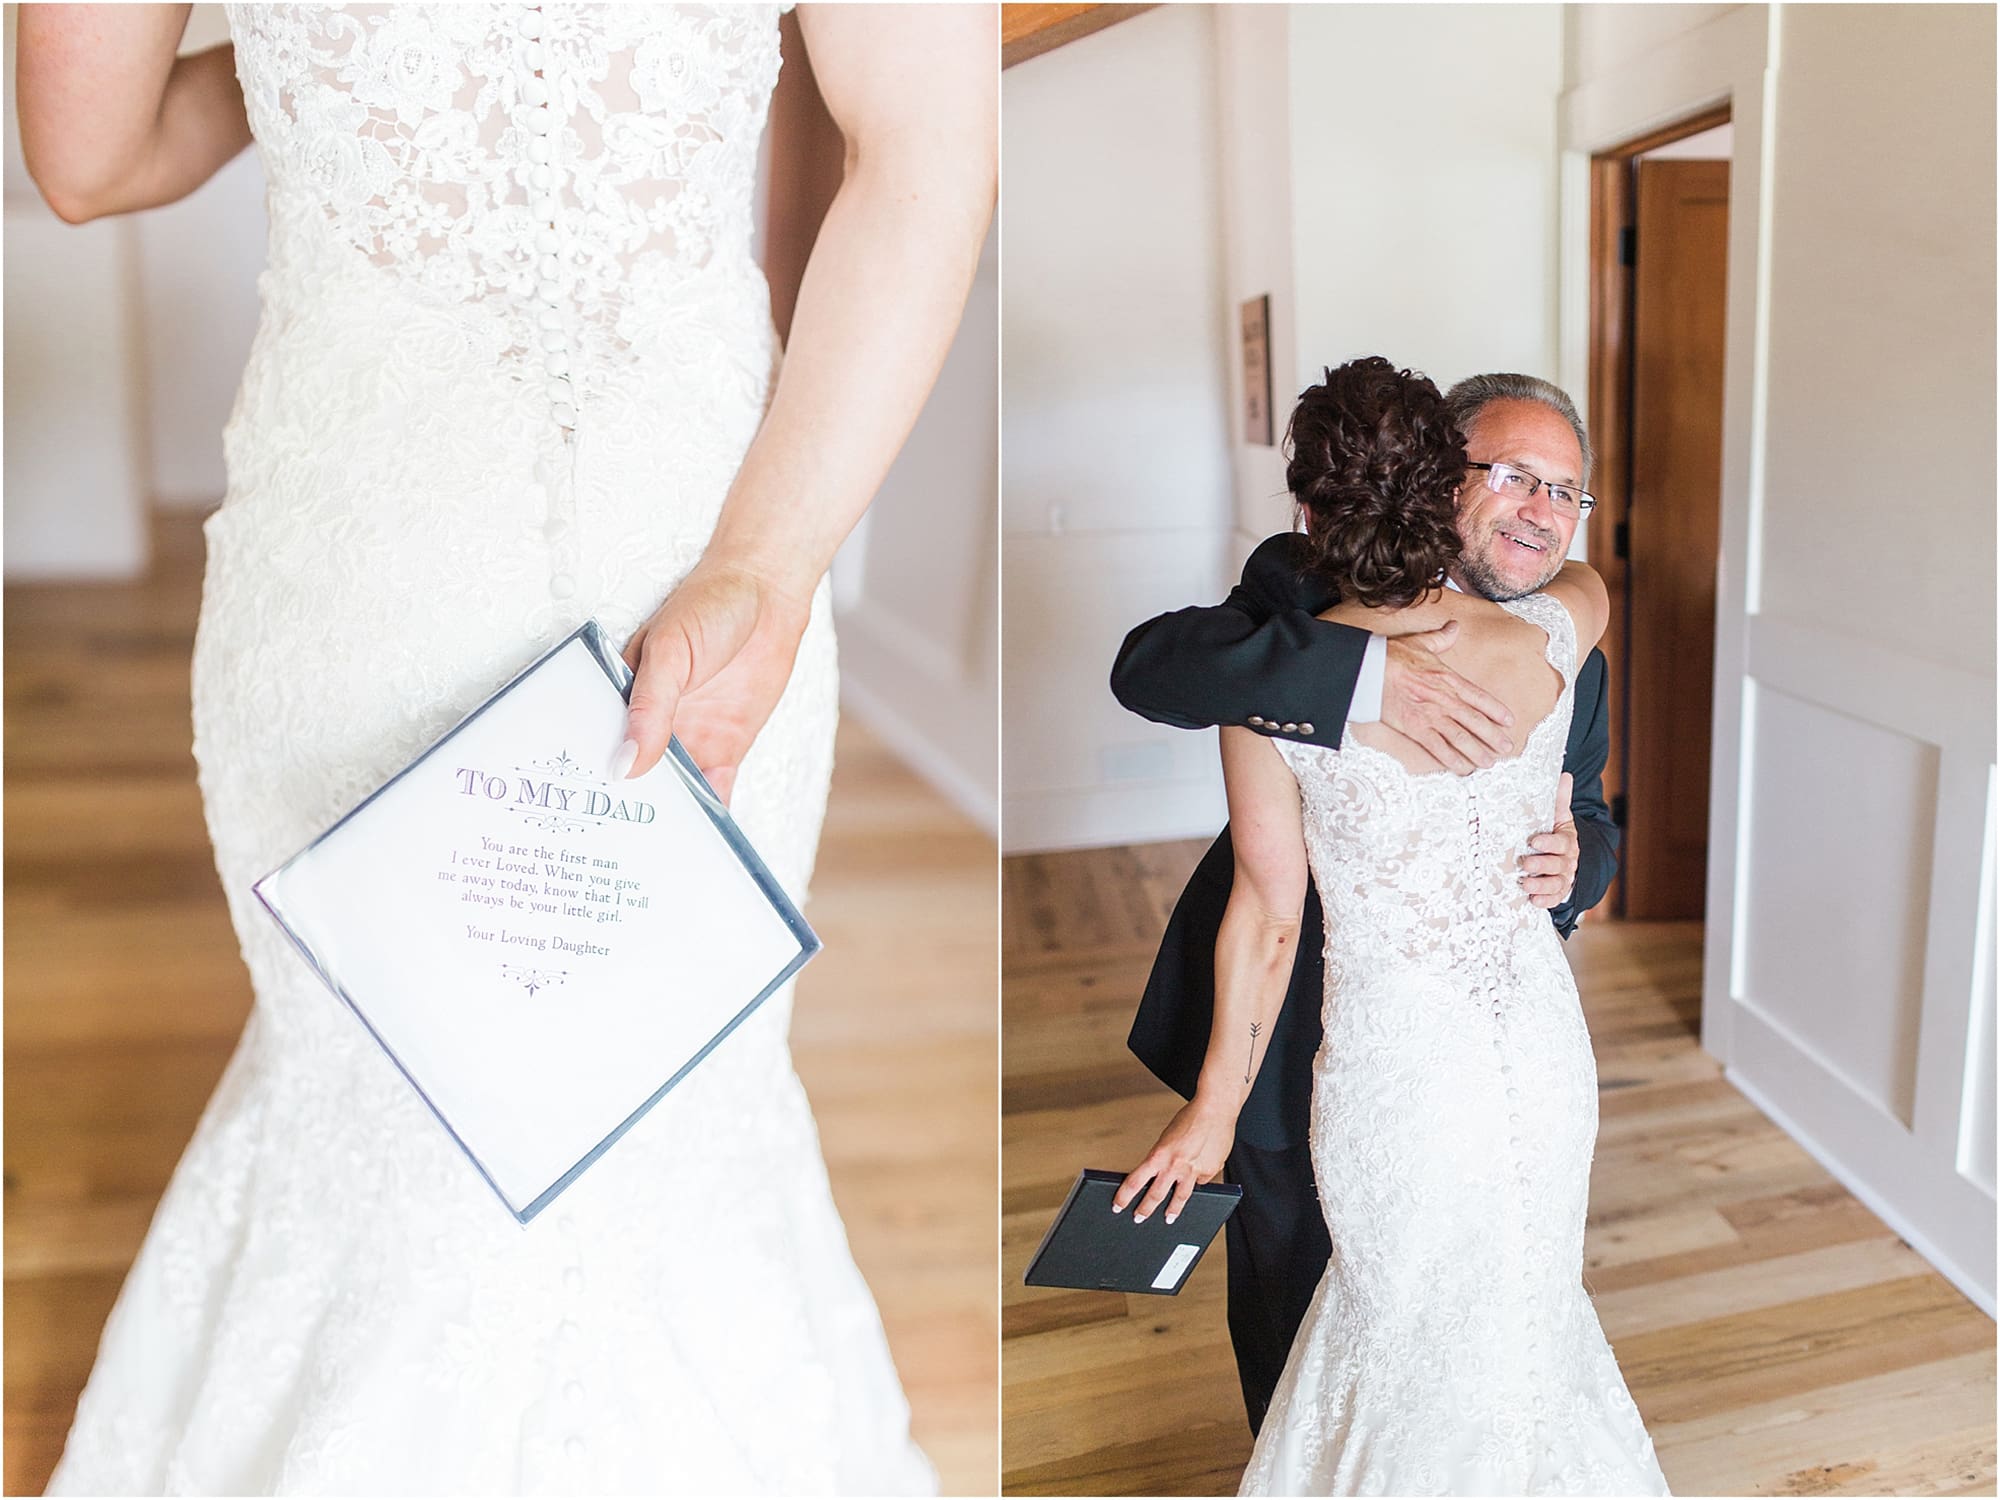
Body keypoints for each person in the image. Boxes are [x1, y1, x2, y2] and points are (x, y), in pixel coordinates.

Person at [17, 4, 994, 1493]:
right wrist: (770, 563)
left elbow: (89, 156)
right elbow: (923, 147)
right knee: (677, 1103)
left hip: (353, 564)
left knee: (364, 1089)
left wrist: (318, 65)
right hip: (699, 565)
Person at [1112, 358, 1669, 1494]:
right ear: (1439, 480)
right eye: (1513, 477)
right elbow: (1150, 667)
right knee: (1353, 1290)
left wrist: (1579, 859)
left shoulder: (1560, 624)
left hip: (1444, 1048)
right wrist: (1360, 678)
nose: (1542, 512)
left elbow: (1268, 910)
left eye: (1563, 492)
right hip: (1408, 1047)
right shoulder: (1319, 613)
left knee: (1465, 1304)